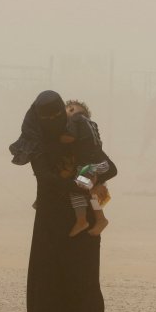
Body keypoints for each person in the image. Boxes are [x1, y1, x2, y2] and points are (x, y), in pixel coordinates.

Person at [9, 90, 117, 312]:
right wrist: (78, 184)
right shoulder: (37, 141)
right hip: (50, 222)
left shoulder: (83, 137)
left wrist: (84, 177)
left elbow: (108, 167)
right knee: (49, 283)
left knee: (82, 282)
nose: (58, 120)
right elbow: (45, 179)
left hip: (83, 227)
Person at [62, 99, 110, 237]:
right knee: (92, 191)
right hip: (100, 164)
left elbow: (70, 137)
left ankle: (82, 220)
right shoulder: (91, 124)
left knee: (77, 189)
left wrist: (58, 138)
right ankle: (100, 218)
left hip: (88, 166)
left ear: (71, 110)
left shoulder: (75, 119)